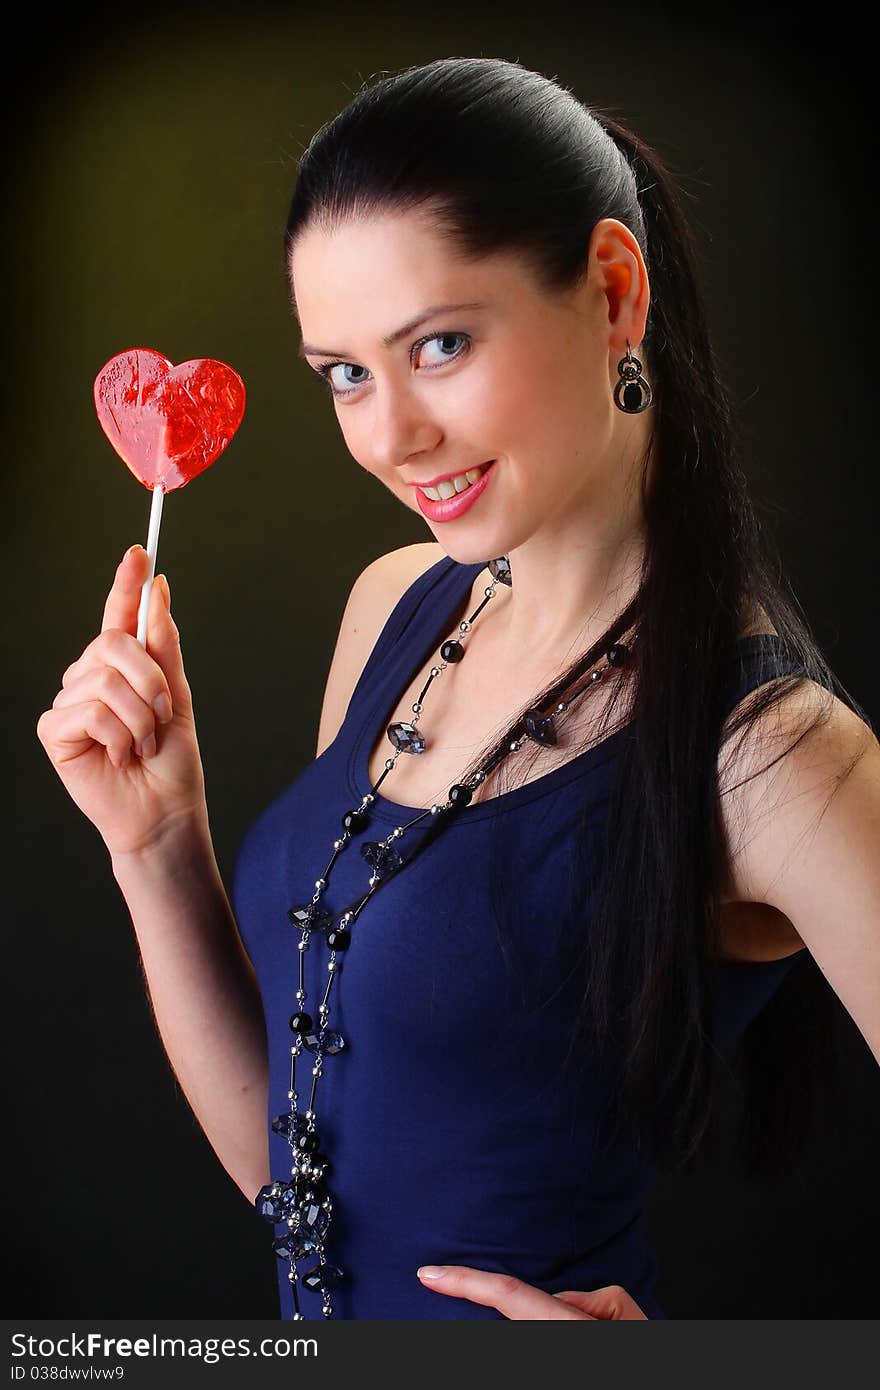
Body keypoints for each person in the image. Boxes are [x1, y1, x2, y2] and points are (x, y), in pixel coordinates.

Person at [36, 56, 879, 1322]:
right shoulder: (393, 603)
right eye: (344, 374)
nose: (387, 438)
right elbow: (297, 1179)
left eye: (438, 344)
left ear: (611, 290)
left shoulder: (773, 753)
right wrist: (155, 842)